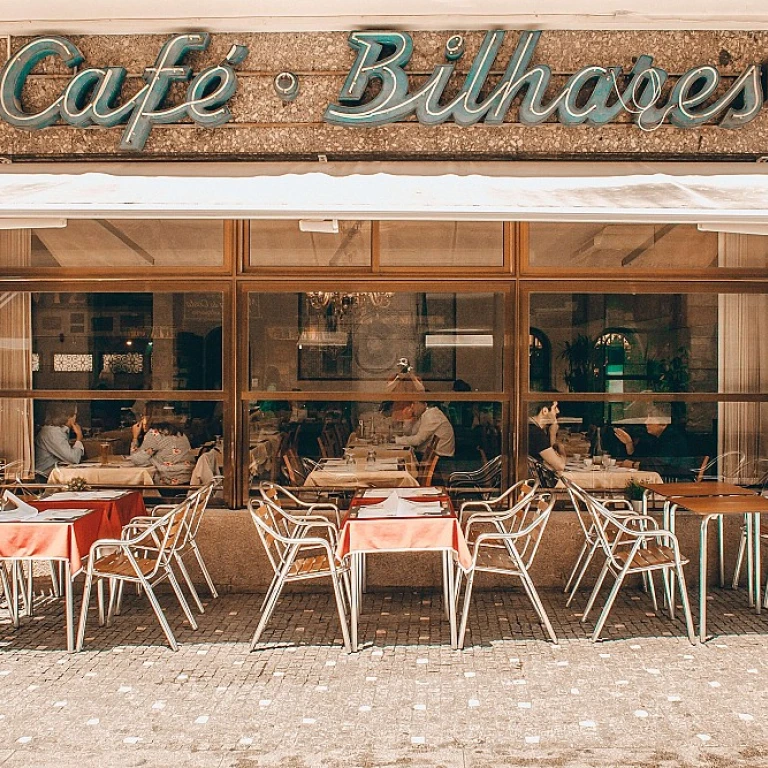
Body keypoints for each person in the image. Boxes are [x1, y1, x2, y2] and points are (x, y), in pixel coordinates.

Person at [613, 410, 692, 478]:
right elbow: (644, 459)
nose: (646, 422)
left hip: (674, 481)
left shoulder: (673, 439)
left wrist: (633, 465)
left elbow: (658, 467)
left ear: (663, 423)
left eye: (650, 419)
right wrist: (629, 443)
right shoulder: (654, 438)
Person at [129, 416, 194, 486]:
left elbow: (136, 459)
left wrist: (135, 437)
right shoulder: (179, 433)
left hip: (168, 479)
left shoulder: (155, 433)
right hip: (188, 477)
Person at [35, 402, 85, 478]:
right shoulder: (52, 433)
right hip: (44, 478)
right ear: (68, 416)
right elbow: (74, 459)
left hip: (53, 474)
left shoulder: (57, 431)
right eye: (75, 414)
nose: (75, 418)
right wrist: (79, 437)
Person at [528, 400, 566, 472]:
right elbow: (559, 466)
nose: (557, 411)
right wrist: (561, 449)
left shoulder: (531, 428)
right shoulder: (535, 432)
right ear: (545, 410)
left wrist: (552, 435)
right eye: (555, 408)